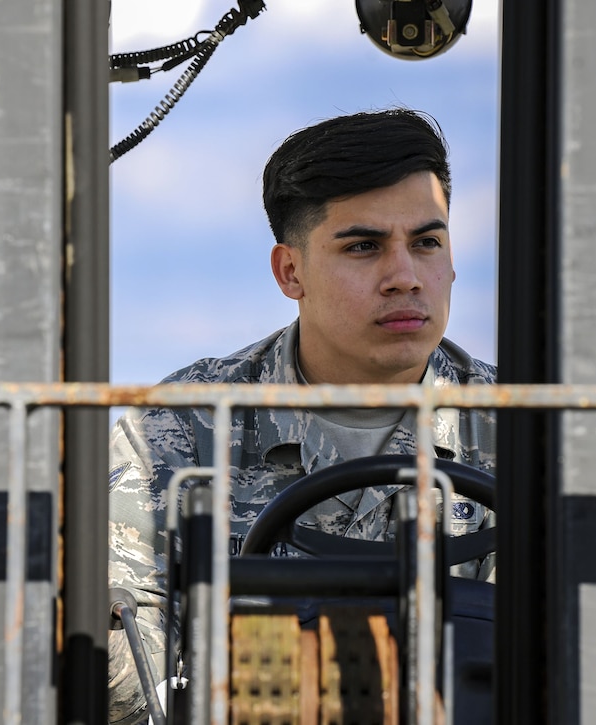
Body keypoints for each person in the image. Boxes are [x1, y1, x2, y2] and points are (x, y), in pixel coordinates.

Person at [106, 107, 497, 723]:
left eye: (426, 242)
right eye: (364, 247)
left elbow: (591, 646)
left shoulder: (532, 427)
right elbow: (122, 634)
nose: (405, 277)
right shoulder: (184, 425)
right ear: (291, 272)